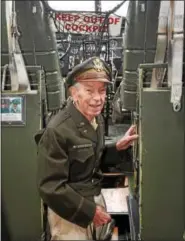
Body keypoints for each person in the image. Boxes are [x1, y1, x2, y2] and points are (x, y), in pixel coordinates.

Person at [35, 57, 138, 240]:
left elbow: (90, 157)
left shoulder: (95, 119)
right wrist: (90, 212)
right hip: (69, 213)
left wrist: (117, 148)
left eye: (102, 91)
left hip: (94, 200)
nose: (98, 99)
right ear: (73, 93)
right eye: (89, 91)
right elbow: (50, 187)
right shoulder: (57, 131)